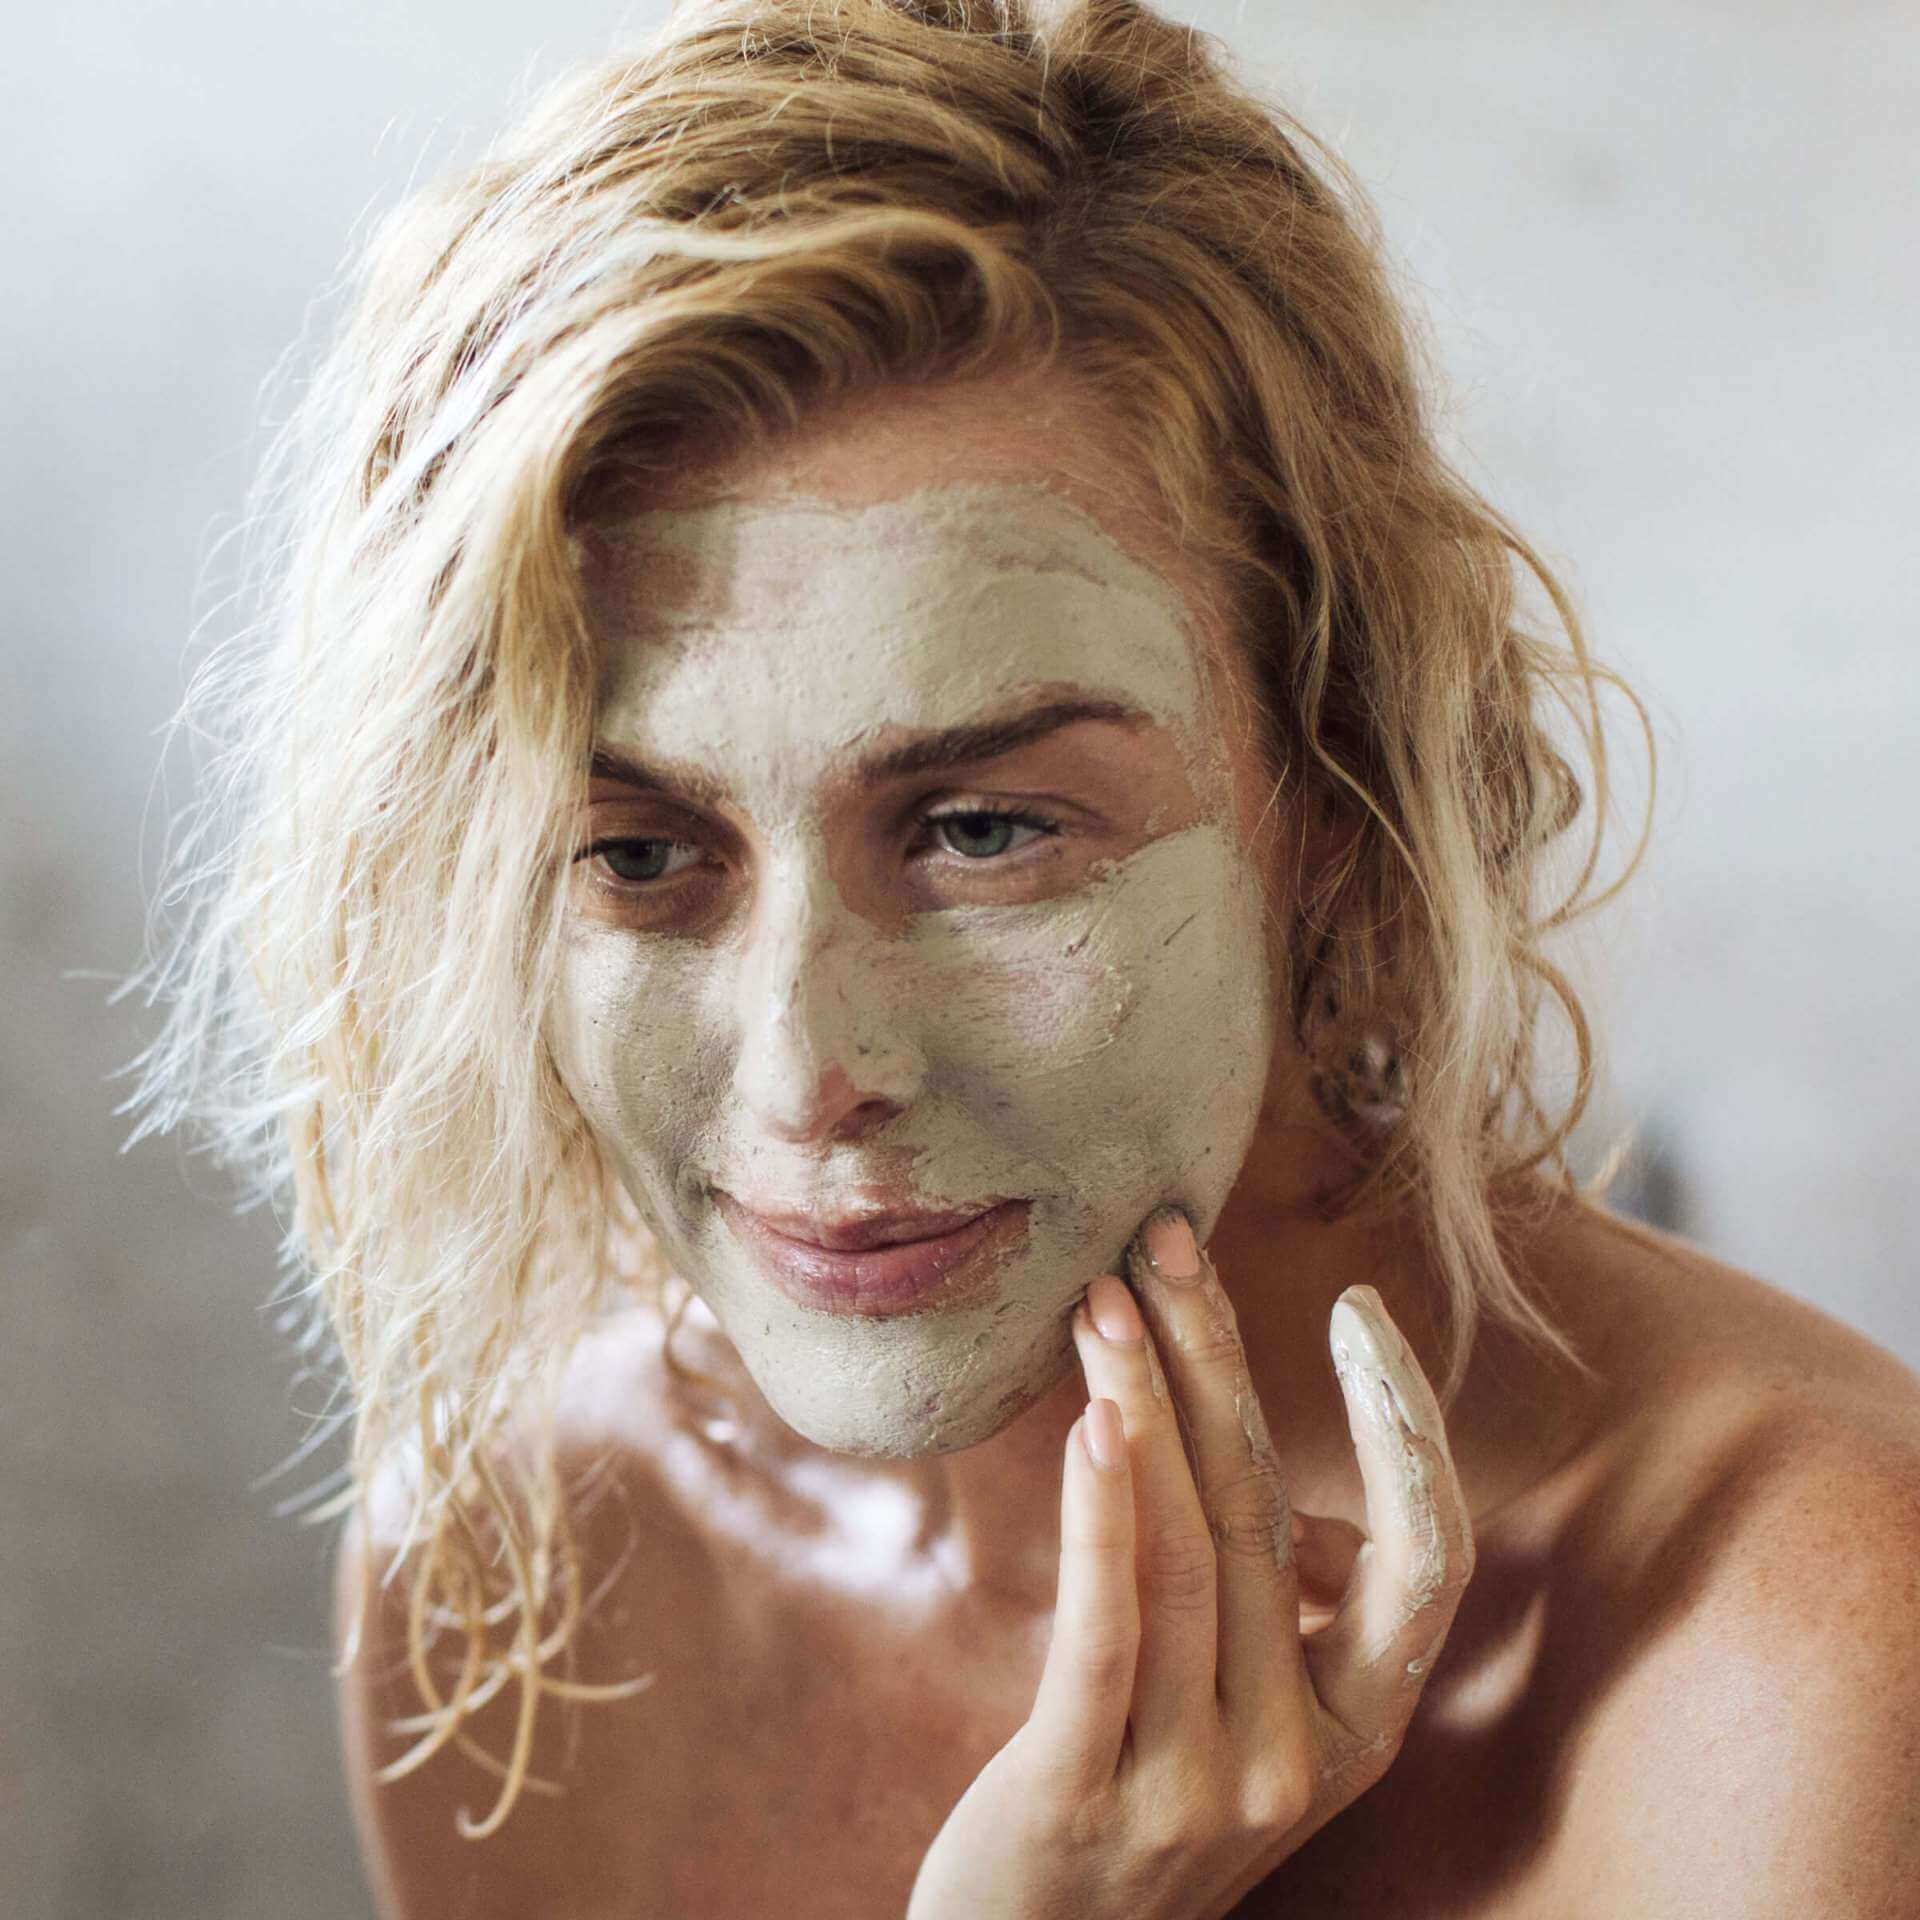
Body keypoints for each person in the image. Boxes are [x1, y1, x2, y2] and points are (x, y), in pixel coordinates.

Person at [129, 1, 1920, 1913]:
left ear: (1333, 790)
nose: (803, 1072)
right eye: (638, 852)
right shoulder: (528, 1566)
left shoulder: (1792, 1639)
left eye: (983, 831)